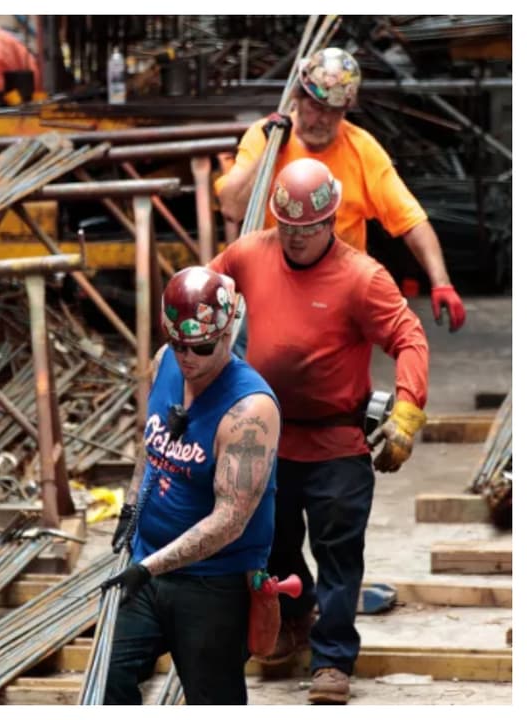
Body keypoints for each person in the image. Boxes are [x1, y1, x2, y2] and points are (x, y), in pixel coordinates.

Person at [209, 157, 430, 704]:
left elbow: (409, 338)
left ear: (331, 221)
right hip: (271, 440)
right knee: (273, 544)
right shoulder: (251, 254)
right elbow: (204, 288)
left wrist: (407, 411)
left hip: (337, 443)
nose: (297, 239)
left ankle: (332, 660)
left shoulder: (363, 277)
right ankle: (295, 614)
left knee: (338, 553)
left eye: (309, 229)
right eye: (288, 228)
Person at [103, 266, 280, 705]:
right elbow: (151, 444)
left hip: (211, 582)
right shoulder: (165, 363)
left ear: (227, 335)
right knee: (109, 682)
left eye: (201, 347)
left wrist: (150, 567)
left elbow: (230, 521)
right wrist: (130, 510)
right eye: (179, 345)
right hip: (148, 563)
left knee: (212, 700)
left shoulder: (250, 412)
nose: (188, 359)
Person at [215, 47, 466, 332]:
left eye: (333, 112)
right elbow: (231, 208)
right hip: (272, 288)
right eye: (316, 107)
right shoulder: (267, 137)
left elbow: (411, 221)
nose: (322, 119)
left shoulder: (361, 149)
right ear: (297, 97)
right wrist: (268, 153)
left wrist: (441, 283)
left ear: (346, 110)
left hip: (337, 294)